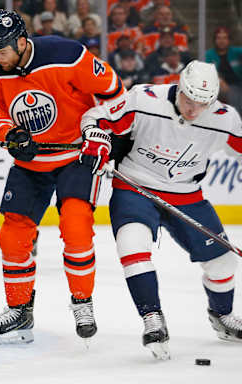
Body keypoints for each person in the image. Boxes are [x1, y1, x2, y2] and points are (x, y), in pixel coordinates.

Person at [0, 10, 125, 345]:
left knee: (75, 226)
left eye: (1, 51)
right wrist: (11, 135)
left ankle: (82, 302)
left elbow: (114, 92)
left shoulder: (67, 55)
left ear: (20, 41)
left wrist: (99, 131)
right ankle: (19, 310)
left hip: (75, 156)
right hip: (32, 164)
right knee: (12, 234)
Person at [80, 60, 242, 360]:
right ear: (179, 87)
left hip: (186, 195)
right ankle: (152, 317)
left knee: (223, 261)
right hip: (135, 186)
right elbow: (97, 117)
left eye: (202, 104)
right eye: (188, 100)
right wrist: (96, 140)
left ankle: (222, 316)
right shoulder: (144, 99)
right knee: (132, 245)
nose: (193, 110)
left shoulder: (224, 118)